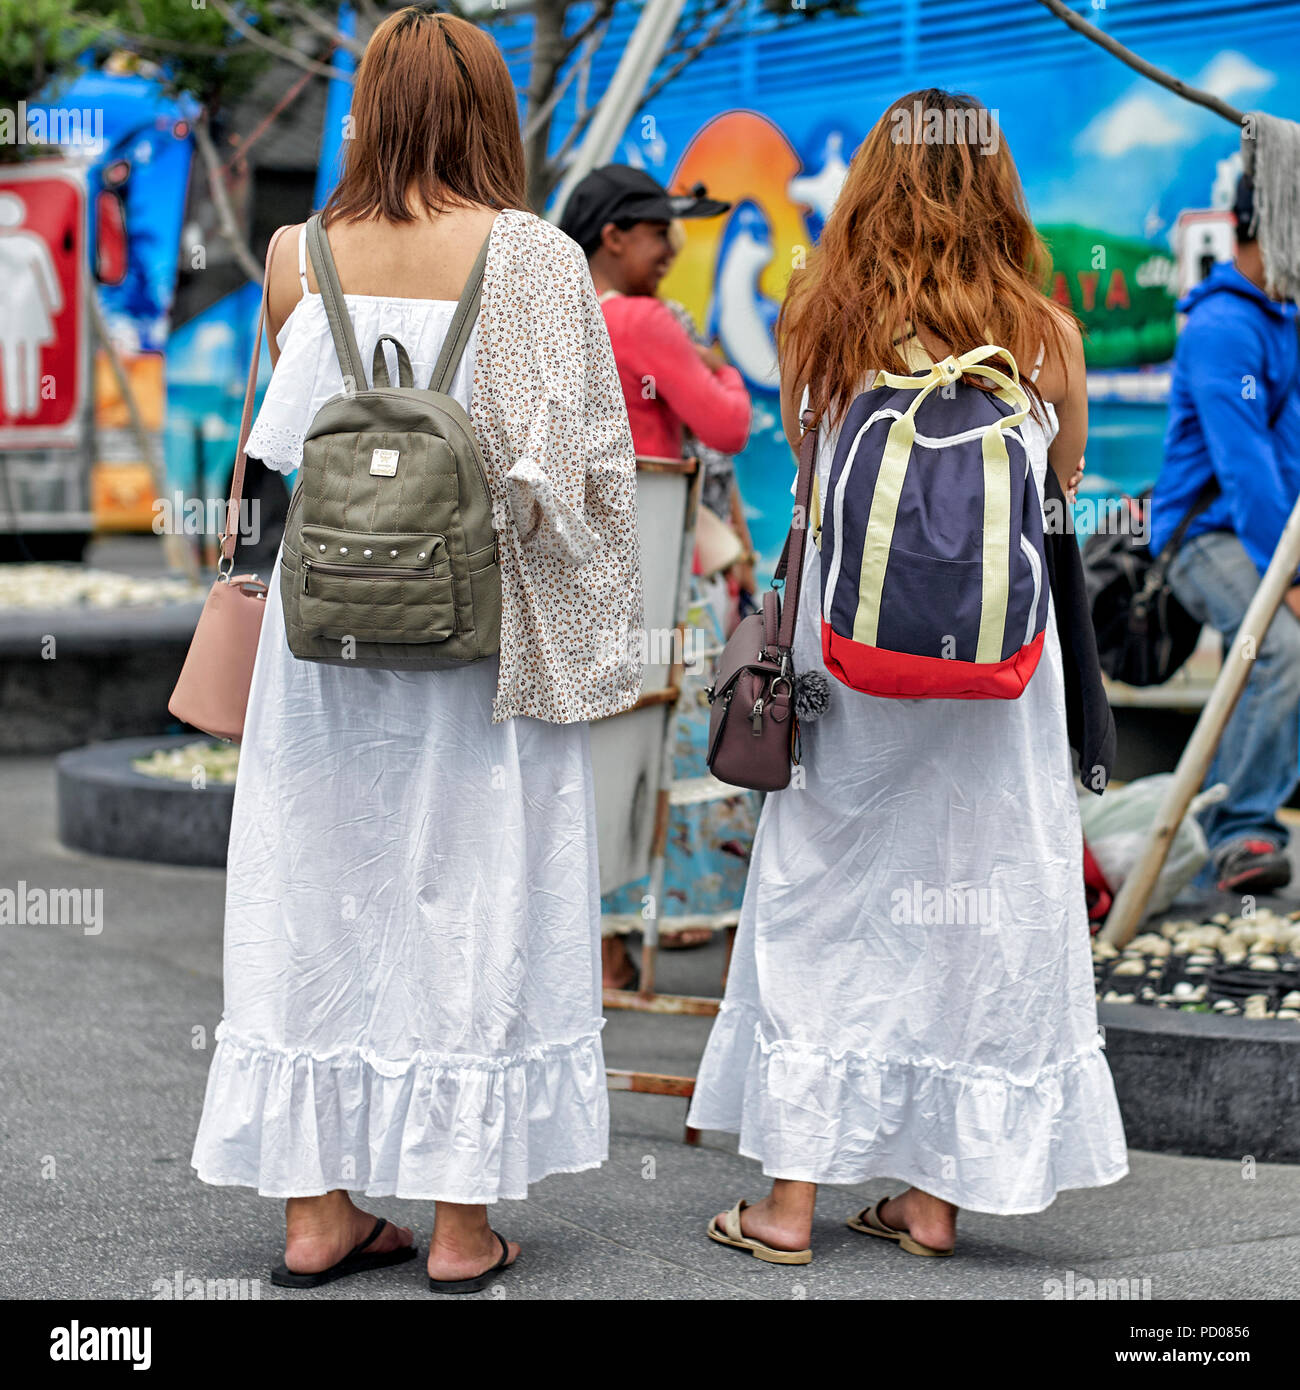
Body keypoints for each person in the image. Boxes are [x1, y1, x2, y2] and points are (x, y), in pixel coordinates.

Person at [190, 8, 642, 1295]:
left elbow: (271, 459)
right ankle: (457, 1225)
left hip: (319, 638)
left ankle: (317, 1213)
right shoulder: (540, 259)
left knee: (311, 893)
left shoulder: (294, 254)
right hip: (475, 640)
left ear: (367, 109)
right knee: (474, 899)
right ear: (491, 112)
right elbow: (590, 473)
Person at [687, 89, 1128, 1263]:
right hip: (1000, 676)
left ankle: (787, 1204)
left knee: (823, 903)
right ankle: (932, 1201)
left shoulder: (816, 319)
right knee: (979, 907)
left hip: (849, 667)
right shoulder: (1045, 337)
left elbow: (807, 468)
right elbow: (1058, 499)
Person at [559, 166, 755, 981]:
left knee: (603, 751)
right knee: (699, 756)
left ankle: (604, 946)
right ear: (613, 236)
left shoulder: (551, 317)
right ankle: (725, 947)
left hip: (584, 580)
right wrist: (725, 370)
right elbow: (726, 425)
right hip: (666, 577)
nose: (671, 249)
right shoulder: (640, 320)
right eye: (656, 233)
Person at [1150, 172, 1300, 895]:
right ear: (1258, 227)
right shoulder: (1221, 328)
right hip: (1203, 536)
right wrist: (1291, 584)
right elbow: (1248, 474)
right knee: (1275, 644)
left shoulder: (1285, 315)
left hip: (1266, 533)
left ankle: (1214, 814)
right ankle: (1242, 831)